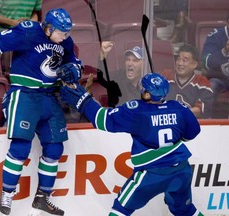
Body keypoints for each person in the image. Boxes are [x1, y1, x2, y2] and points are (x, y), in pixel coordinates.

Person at [0, 8, 82, 216]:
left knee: (55, 149)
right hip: (24, 96)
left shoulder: (65, 42)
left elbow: (74, 62)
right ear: (48, 28)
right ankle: (7, 193)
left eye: (67, 33)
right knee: (20, 148)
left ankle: (42, 198)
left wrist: (73, 70)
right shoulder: (28, 31)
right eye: (62, 32)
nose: (65, 37)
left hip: (49, 97)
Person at [59, 72, 203, 216]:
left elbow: (102, 120)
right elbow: (193, 131)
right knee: (185, 210)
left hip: (151, 174)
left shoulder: (137, 110)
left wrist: (84, 101)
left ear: (147, 94)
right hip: (181, 170)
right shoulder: (178, 107)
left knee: (121, 208)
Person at [0, 0, 44, 77]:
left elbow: (35, 12)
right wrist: (13, 23)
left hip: (24, 30)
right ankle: (6, 76)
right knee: (10, 40)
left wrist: (31, 24)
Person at [162, 44, 214, 118]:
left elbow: (199, 110)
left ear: (194, 64)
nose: (180, 63)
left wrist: (177, 113)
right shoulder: (166, 76)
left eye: (184, 60)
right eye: (178, 59)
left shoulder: (202, 83)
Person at [98, 41, 143, 107]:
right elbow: (102, 77)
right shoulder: (118, 78)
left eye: (135, 60)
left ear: (144, 64)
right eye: (128, 59)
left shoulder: (149, 81)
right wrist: (102, 56)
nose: (130, 63)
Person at [201, 16, 229, 112]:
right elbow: (205, 62)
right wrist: (224, 51)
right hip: (219, 78)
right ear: (228, 23)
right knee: (211, 86)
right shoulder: (216, 36)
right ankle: (206, 120)